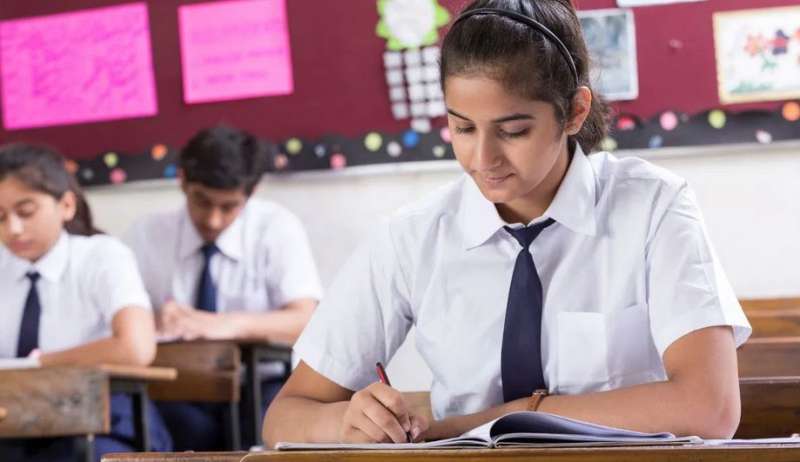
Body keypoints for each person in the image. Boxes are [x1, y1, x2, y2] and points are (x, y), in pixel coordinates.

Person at [262, 0, 751, 447]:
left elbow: (710, 408)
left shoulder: (653, 206)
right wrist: (349, 422)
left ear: (575, 111)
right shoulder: (411, 236)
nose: (482, 159)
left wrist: (511, 415)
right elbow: (285, 416)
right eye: (462, 127)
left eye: (513, 131)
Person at [125, 125, 323, 450]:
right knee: (150, 425)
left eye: (229, 206)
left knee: (273, 428)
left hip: (262, 383)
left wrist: (221, 325)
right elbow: (120, 325)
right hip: (180, 386)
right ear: (182, 180)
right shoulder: (146, 234)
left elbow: (307, 320)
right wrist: (157, 322)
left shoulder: (276, 228)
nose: (213, 220)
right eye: (201, 201)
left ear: (251, 192)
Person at [0, 143, 172, 461]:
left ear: (66, 205)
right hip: (14, 422)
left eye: (26, 212)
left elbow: (135, 347)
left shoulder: (102, 256)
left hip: (102, 421)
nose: (13, 229)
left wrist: (38, 363)